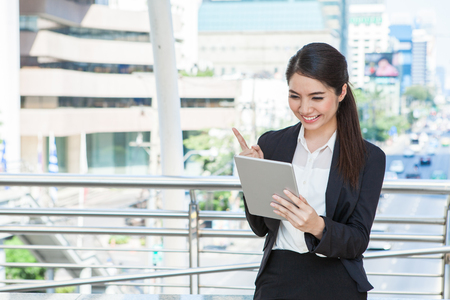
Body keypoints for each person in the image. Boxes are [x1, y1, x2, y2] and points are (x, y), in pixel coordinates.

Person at [232, 42, 386, 300]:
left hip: (336, 280)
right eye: (295, 96)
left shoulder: (368, 158)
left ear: (341, 92)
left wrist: (318, 226)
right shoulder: (272, 143)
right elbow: (260, 227)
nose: (304, 109)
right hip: (277, 277)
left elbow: (358, 240)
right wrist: (252, 176)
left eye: (316, 97)